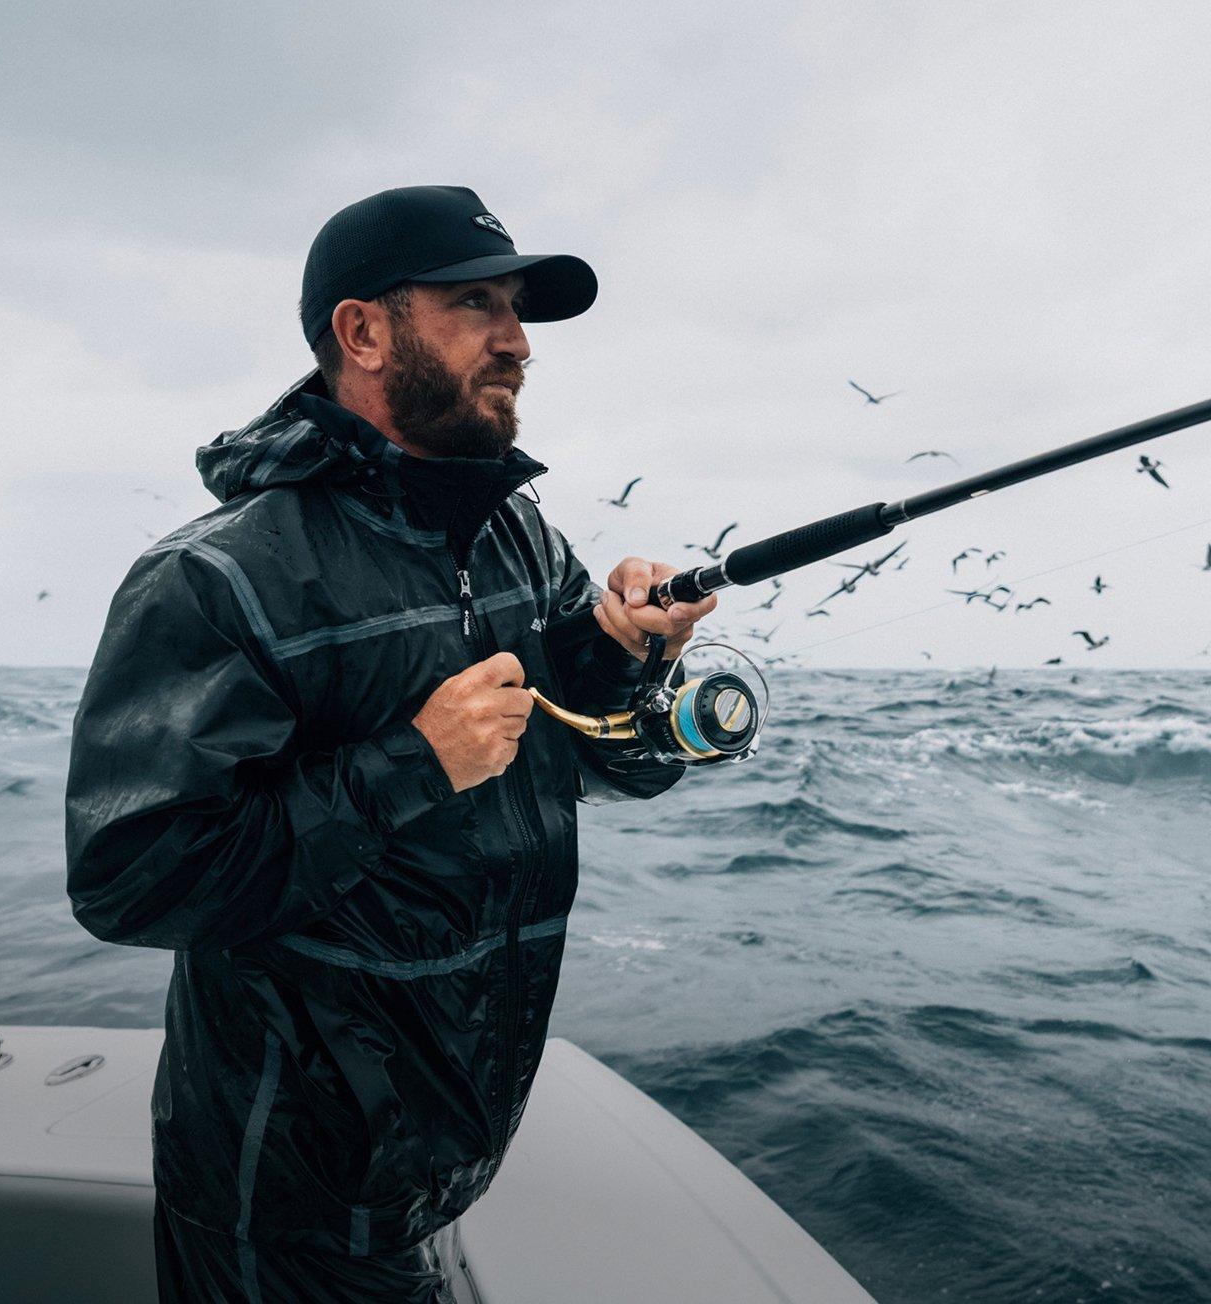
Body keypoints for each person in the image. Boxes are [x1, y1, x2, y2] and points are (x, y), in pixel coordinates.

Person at [66, 186, 716, 1302]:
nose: (517, 341)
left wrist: (622, 652)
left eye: (514, 309)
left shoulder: (514, 531)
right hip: (284, 1193)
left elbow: (610, 759)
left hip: (437, 1157)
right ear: (362, 331)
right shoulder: (218, 577)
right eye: (475, 304)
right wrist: (409, 766)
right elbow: (130, 879)